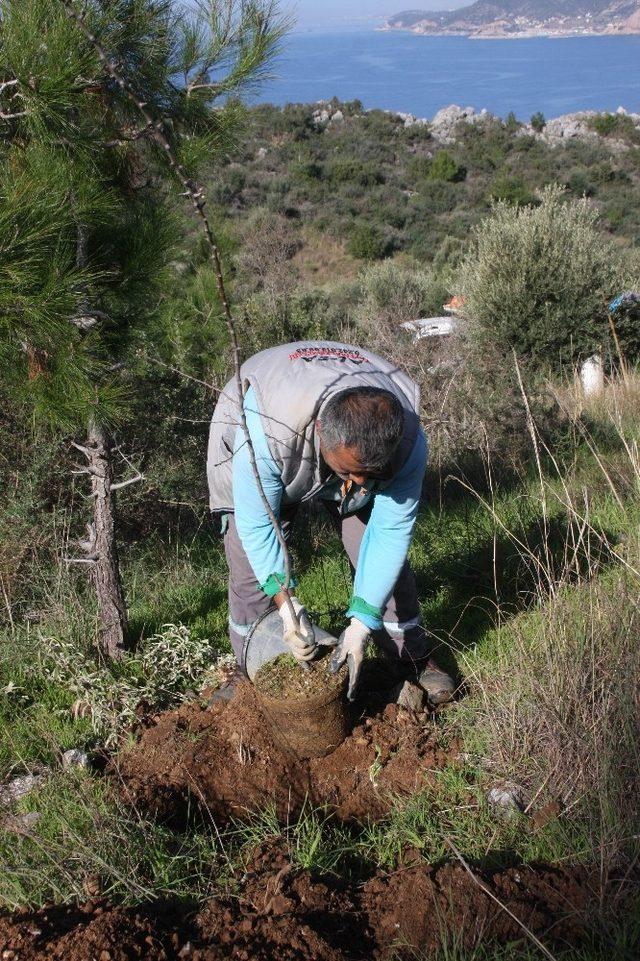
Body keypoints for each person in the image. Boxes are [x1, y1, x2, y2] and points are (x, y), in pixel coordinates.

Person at [207, 340, 455, 705]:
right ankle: (250, 672)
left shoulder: (407, 442)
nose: (355, 484)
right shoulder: (264, 434)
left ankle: (411, 659)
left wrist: (361, 623)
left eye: (367, 474)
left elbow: (390, 534)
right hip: (256, 436)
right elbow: (259, 527)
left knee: (375, 546)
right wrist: (286, 604)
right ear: (322, 432)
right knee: (249, 568)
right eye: (348, 472)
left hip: (343, 445)